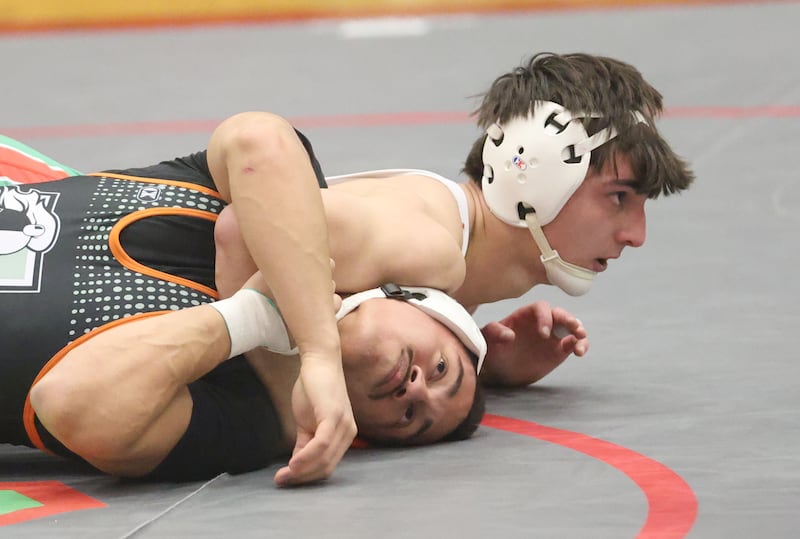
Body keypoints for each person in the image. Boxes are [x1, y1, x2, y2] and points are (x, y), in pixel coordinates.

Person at [2, 51, 693, 484]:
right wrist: (322, 361)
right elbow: (248, 224)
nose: (634, 234)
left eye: (416, 412)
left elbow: (314, 268)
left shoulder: (421, 258)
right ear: (534, 174)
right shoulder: (430, 247)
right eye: (620, 197)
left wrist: (481, 364)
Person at [0, 150, 488, 484]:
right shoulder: (274, 196)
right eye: (442, 368)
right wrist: (317, 346)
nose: (417, 389)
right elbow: (256, 142)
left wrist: (252, 318)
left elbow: (65, 401)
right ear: (419, 301)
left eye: (411, 418)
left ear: (361, 435)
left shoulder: (249, 421)